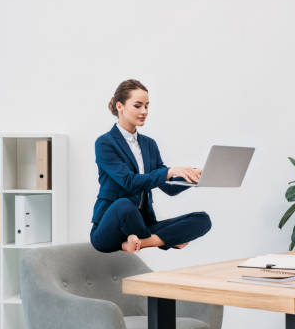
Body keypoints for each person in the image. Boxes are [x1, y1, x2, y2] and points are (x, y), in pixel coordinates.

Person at [90, 79, 212, 253]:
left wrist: (194, 176)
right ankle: (162, 240)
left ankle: (142, 242)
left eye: (147, 106)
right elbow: (129, 182)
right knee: (124, 205)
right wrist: (169, 171)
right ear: (120, 106)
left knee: (202, 219)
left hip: (142, 226)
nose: (144, 111)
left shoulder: (149, 144)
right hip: (109, 228)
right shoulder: (105, 143)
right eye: (138, 106)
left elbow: (168, 187)